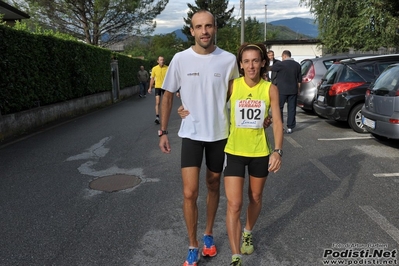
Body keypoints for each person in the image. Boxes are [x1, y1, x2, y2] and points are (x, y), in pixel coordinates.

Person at [158, 10, 239, 266]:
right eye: (198, 27)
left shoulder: (228, 60)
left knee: (213, 185)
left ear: (215, 28)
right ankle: (192, 244)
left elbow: (234, 96)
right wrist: (163, 131)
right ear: (191, 31)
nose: (204, 31)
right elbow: (169, 95)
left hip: (219, 135)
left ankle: (208, 235)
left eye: (209, 26)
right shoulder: (180, 59)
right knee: (190, 191)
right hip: (191, 134)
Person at [223, 43, 283, 266]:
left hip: (259, 152)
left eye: (255, 61)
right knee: (234, 204)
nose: (251, 65)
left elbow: (277, 121)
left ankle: (247, 231)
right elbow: (212, 109)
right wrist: (185, 111)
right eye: (246, 61)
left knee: (255, 198)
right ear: (240, 64)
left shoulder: (269, 89)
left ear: (262, 63)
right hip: (234, 151)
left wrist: (277, 151)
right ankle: (235, 256)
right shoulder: (231, 86)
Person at [271, 50, 301, 134]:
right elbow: (299, 80)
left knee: (279, 107)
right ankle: (290, 127)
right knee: (291, 108)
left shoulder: (280, 64)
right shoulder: (297, 65)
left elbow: (271, 68)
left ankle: (280, 125)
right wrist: (298, 90)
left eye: (282, 57)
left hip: (281, 90)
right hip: (293, 90)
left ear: (284, 56)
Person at [148, 56, 168, 124]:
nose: (162, 61)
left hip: (165, 87)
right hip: (157, 87)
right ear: (158, 61)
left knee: (165, 103)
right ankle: (157, 117)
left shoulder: (167, 68)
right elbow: (152, 78)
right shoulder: (154, 68)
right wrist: (150, 87)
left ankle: (165, 116)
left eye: (163, 60)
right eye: (161, 60)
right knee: (158, 102)